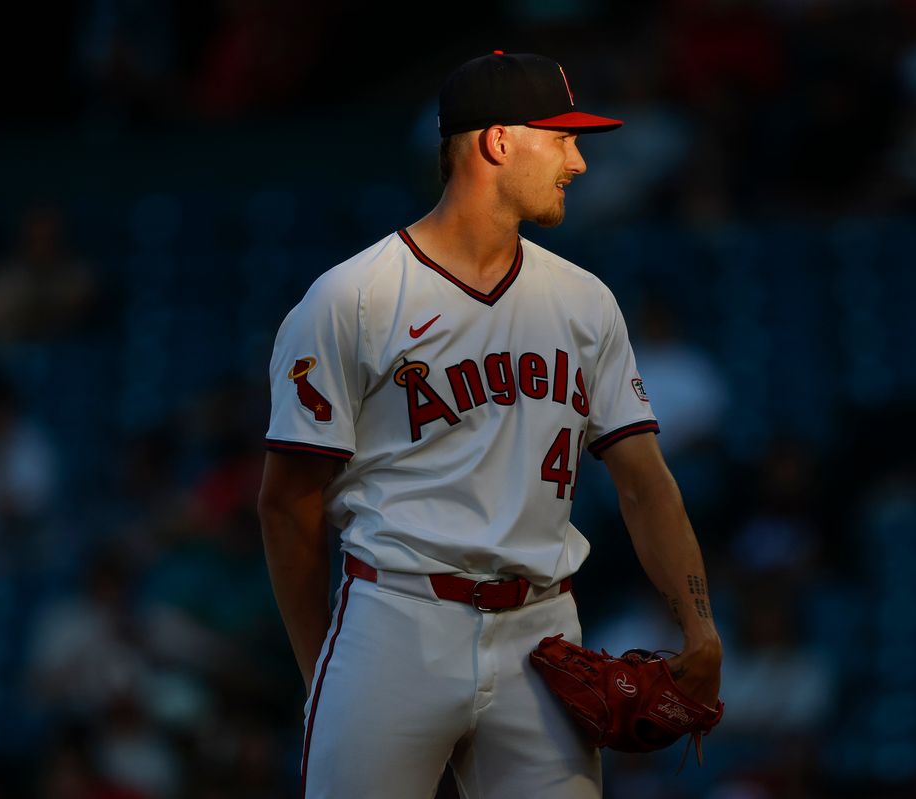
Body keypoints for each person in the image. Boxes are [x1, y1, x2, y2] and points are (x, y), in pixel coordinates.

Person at [257, 51, 724, 798]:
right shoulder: (352, 297)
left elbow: (645, 483)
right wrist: (327, 670)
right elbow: (287, 502)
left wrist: (699, 624)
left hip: (543, 633)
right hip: (396, 616)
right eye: (562, 138)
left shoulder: (585, 301)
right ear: (498, 142)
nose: (578, 161)